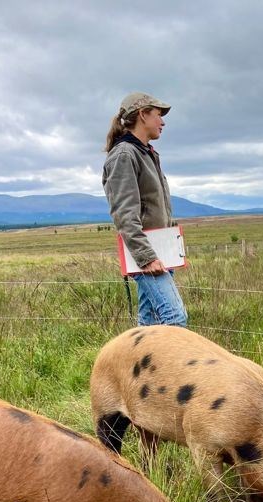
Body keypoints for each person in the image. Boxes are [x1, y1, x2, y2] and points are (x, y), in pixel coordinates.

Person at [103, 92, 188, 327]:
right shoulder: (124, 155)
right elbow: (125, 215)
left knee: (149, 321)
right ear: (142, 115)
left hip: (161, 252)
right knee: (175, 319)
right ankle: (171, 366)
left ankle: (132, 364)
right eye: (158, 115)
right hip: (148, 255)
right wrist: (147, 258)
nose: (163, 122)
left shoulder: (146, 153)